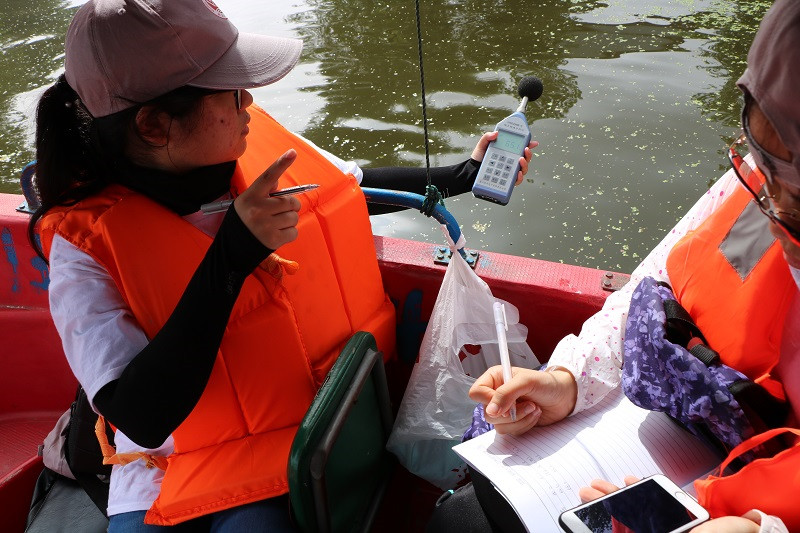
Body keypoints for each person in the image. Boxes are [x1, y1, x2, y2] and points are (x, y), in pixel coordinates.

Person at [28, 0, 536, 531]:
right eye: (231, 91)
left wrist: (462, 173)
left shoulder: (249, 143)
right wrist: (230, 258)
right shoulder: (83, 248)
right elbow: (142, 418)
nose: (249, 100)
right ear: (155, 125)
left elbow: (346, 190)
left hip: (312, 437)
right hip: (172, 473)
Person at [441, 0, 800, 531]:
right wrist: (568, 382)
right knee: (463, 517)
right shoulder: (764, 183)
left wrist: (758, 528)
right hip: (673, 439)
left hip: (742, 500)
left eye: (797, 202)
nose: (772, 214)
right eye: (761, 167)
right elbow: (655, 289)